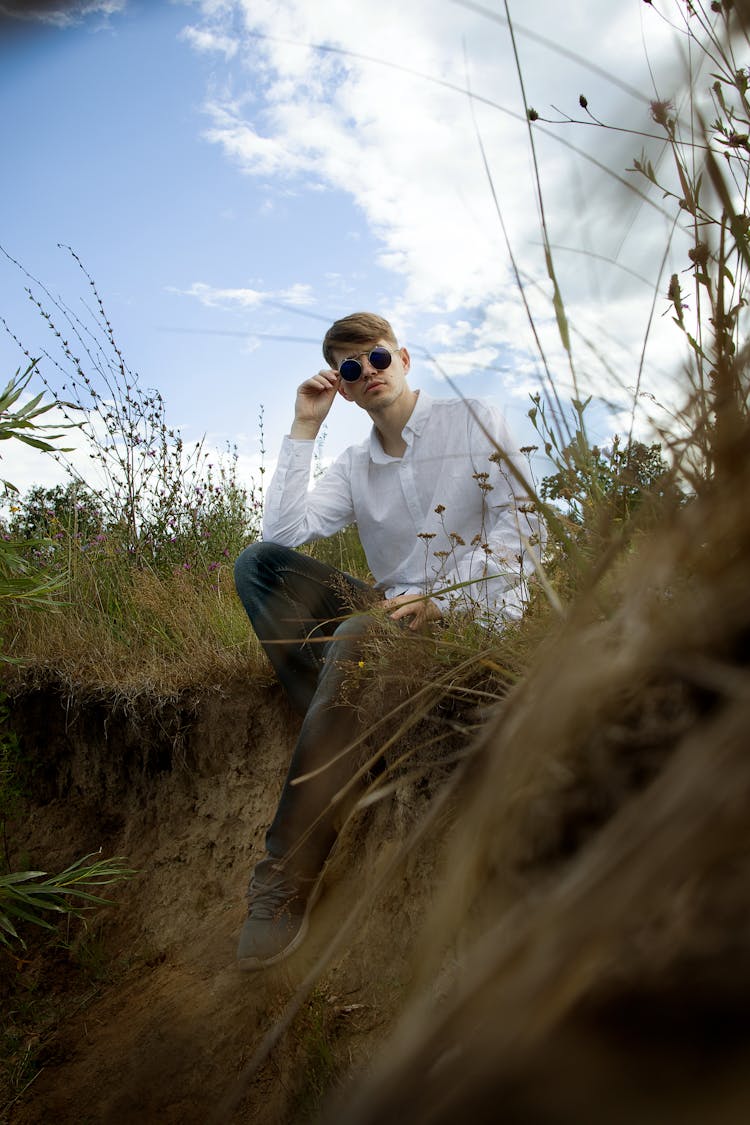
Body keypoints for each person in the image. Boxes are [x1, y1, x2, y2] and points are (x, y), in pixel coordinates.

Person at [234, 312, 537, 969]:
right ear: (340, 388)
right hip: (389, 616)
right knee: (257, 566)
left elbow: (524, 532)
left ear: (402, 356)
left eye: (374, 358)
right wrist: (305, 427)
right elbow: (282, 535)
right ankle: (359, 732)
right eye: (349, 369)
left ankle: (286, 874)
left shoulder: (477, 419)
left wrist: (442, 594)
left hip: (470, 613)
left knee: (359, 629)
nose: (365, 373)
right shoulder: (352, 465)